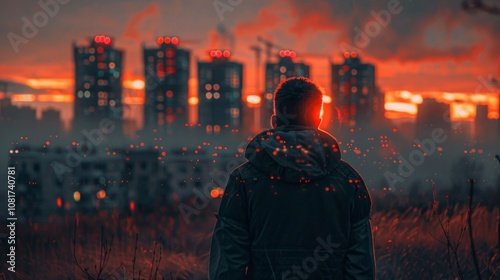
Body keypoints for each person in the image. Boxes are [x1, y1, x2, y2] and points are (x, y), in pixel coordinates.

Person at [209, 77, 375, 279]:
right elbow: (361, 267)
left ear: (275, 120)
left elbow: (227, 265)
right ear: (318, 122)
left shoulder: (243, 180)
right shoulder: (349, 181)